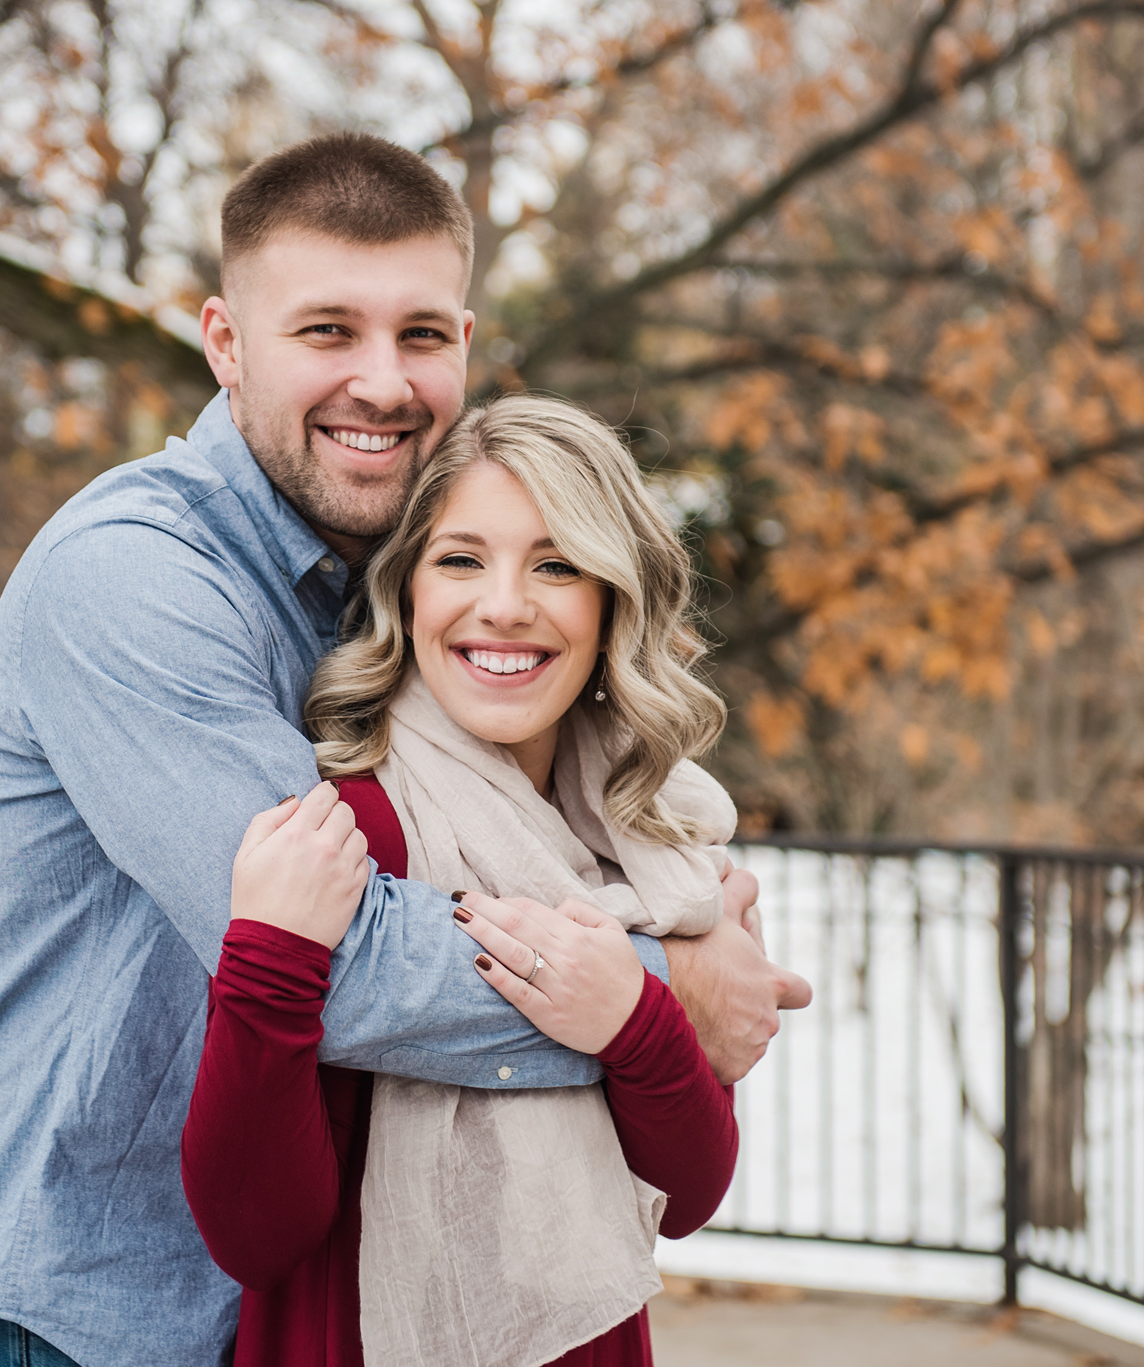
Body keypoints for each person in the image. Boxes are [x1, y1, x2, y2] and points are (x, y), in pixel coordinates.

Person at [0, 133, 810, 1367]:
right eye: (325, 331)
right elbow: (341, 959)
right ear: (223, 343)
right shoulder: (130, 574)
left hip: (293, 1316)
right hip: (83, 1310)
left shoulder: (392, 586)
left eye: (421, 335)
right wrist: (658, 987)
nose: (381, 382)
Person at [183, 393, 755, 1367]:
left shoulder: (657, 843)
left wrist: (634, 1013)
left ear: (611, 596)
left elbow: (687, 1196)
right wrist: (268, 965)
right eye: (460, 559)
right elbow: (254, 1230)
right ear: (406, 591)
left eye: (555, 563)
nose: (503, 604)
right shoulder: (347, 829)